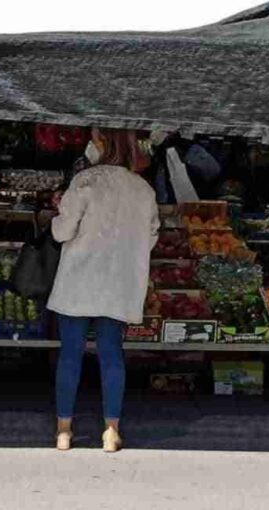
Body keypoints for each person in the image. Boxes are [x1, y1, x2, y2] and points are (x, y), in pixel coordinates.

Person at [47, 127, 160, 453]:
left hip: (80, 280)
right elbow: (150, 236)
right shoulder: (143, 189)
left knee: (70, 355)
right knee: (111, 354)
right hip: (118, 281)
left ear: (102, 144)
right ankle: (111, 431)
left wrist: (57, 214)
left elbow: (62, 231)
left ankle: (64, 431)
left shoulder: (85, 181)